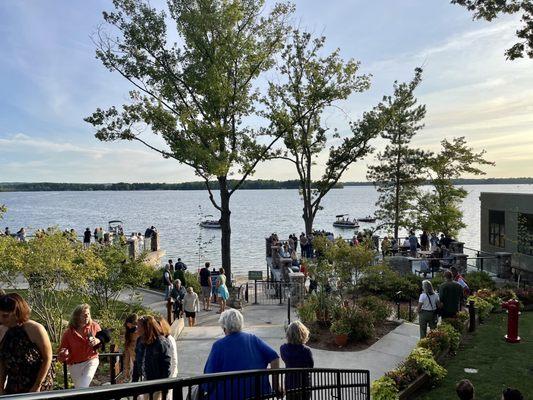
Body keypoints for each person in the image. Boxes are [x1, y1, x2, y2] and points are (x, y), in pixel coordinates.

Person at [203, 309, 282, 399]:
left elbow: (208, 378)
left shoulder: (218, 346)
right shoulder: (253, 339)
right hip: (258, 394)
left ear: (225, 328)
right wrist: (276, 386)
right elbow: (274, 358)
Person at [0, 293, 54, 394]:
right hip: (14, 384)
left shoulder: (36, 329)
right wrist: (1, 386)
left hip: (37, 382)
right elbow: (2, 361)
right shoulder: (2, 330)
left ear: (17, 313)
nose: (1, 320)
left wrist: (37, 386)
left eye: (5, 316)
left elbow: (48, 358)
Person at [58, 304, 101, 388]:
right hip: (74, 365)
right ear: (77, 316)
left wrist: (97, 341)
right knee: (80, 389)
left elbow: (103, 337)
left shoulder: (94, 326)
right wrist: (63, 353)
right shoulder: (68, 333)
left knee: (82, 387)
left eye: (88, 314)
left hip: (91, 360)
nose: (87, 316)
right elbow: (61, 351)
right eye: (84, 314)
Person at [132, 315, 172, 399]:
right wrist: (134, 382)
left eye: (139, 327)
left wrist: (164, 389)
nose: (136, 329)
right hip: (145, 381)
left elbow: (166, 367)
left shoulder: (161, 343)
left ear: (146, 328)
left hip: (157, 383)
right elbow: (137, 362)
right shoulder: (140, 340)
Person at [280, 321, 314, 400]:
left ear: (288, 335)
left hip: (290, 383)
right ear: (303, 334)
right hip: (304, 384)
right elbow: (311, 366)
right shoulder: (306, 350)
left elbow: (284, 359)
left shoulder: (283, 349)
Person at [122, 314, 139, 383]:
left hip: (136, 356)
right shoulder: (128, 332)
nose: (128, 326)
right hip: (130, 354)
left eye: (129, 324)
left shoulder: (137, 332)